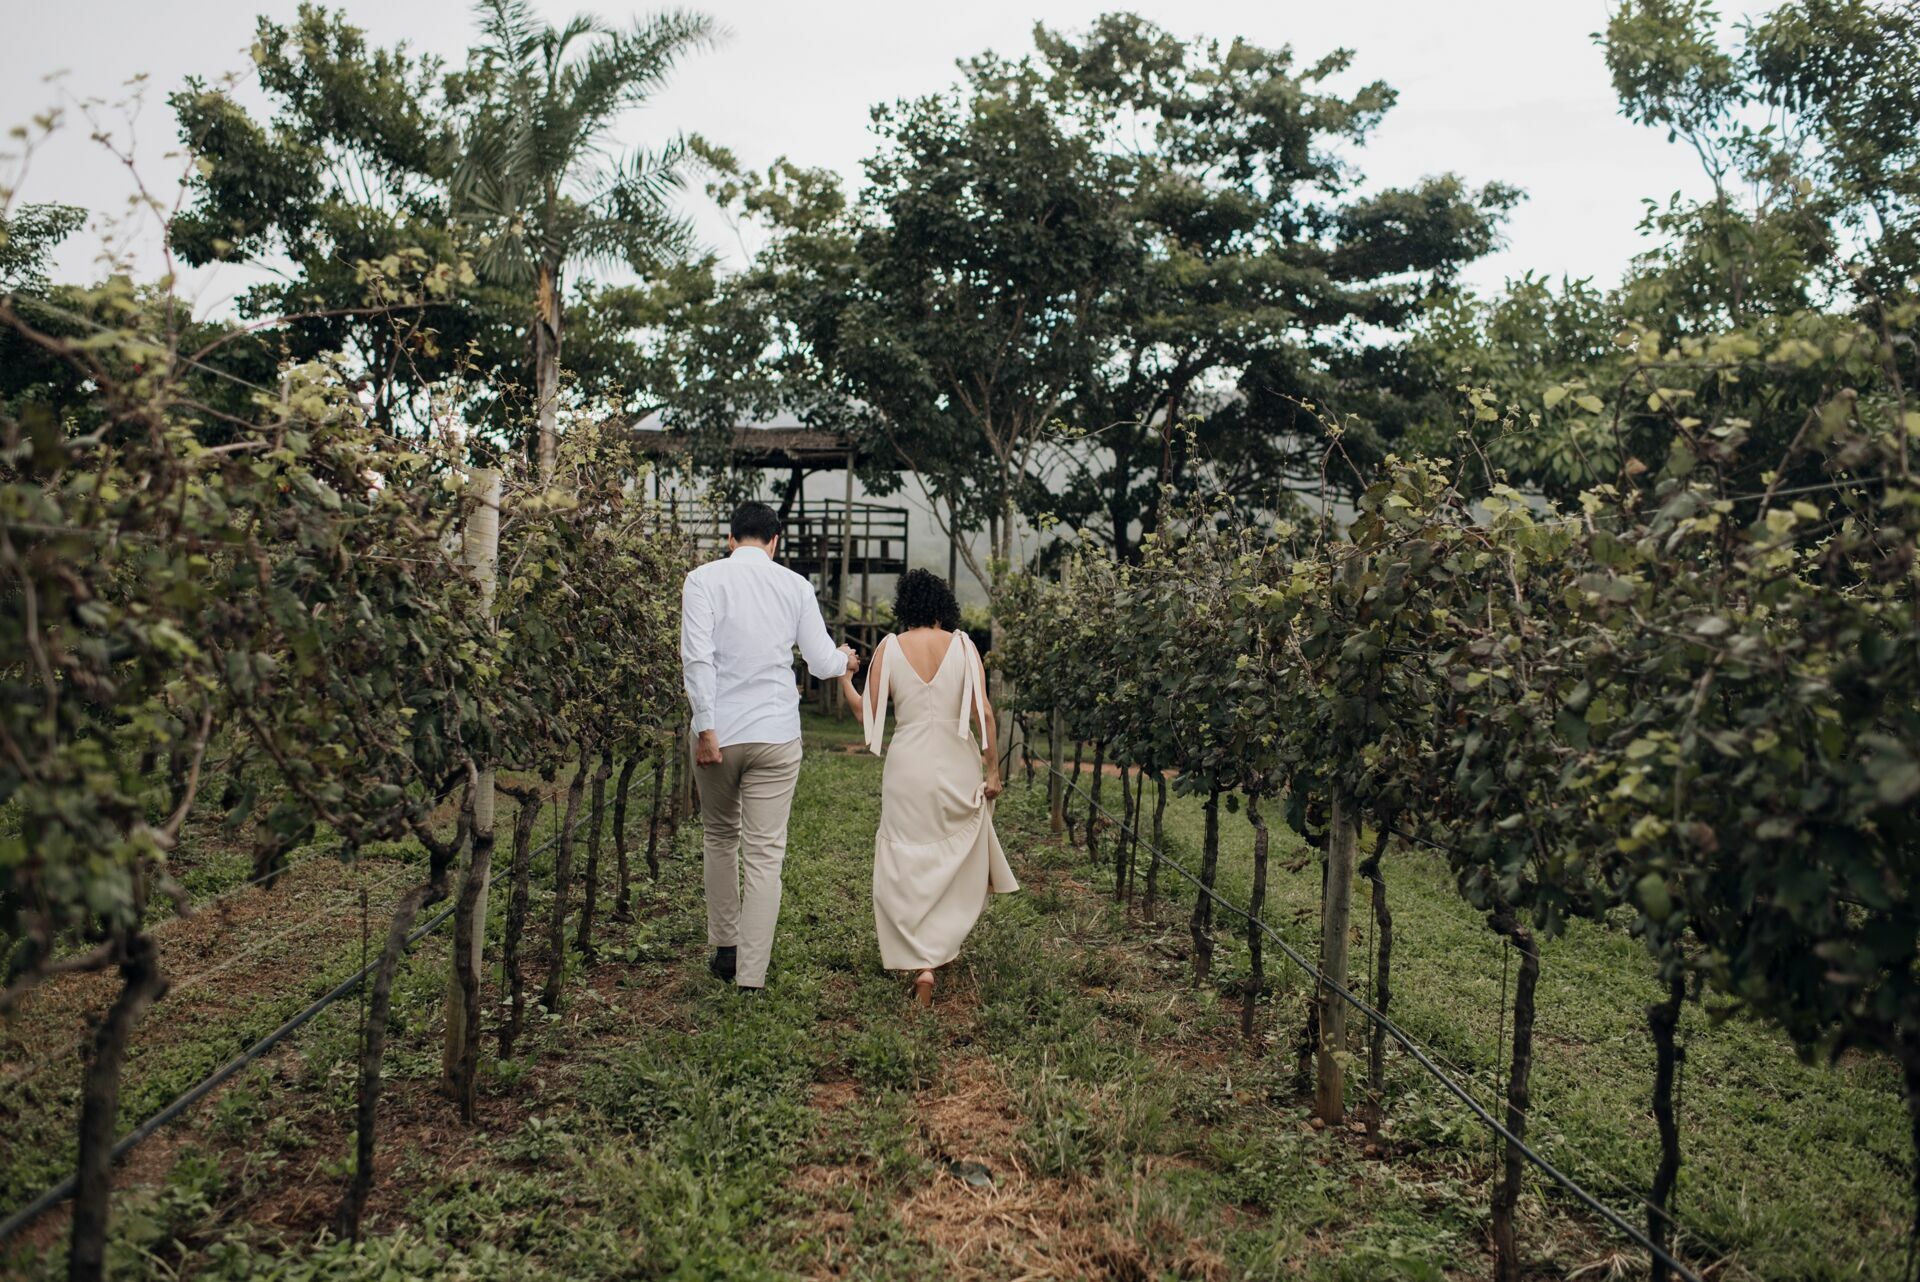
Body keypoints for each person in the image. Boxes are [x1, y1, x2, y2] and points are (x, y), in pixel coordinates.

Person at [680, 501, 858, 993]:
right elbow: (822, 663)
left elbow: (697, 659)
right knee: (764, 855)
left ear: (731, 538)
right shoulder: (795, 585)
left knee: (719, 837)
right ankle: (751, 978)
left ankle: (725, 950)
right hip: (776, 734)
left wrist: (708, 728)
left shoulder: (701, 580)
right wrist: (844, 657)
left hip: (718, 733)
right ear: (775, 541)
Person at [838, 569, 1018, 1007]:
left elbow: (867, 715)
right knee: (952, 853)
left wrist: (845, 676)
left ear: (905, 607)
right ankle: (936, 950)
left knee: (905, 855)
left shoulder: (888, 648)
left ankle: (920, 962)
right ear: (943, 606)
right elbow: (985, 714)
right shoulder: (963, 645)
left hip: (908, 763)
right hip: (956, 759)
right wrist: (992, 770)